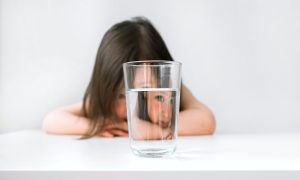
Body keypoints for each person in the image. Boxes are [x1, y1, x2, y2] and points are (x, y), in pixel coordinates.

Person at [42, 17, 216, 138]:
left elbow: (206, 120)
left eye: (156, 96)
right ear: (105, 91)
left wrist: (151, 132)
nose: (137, 106)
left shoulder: (174, 90)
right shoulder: (102, 104)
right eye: (123, 96)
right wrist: (96, 127)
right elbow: (51, 120)